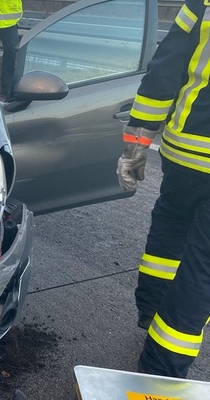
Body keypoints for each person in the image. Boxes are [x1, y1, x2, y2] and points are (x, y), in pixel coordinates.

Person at [116, 0, 210, 378]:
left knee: (171, 228)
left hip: (188, 151)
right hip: (189, 150)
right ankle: (162, 366)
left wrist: (135, 147)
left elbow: (165, 70)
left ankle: (151, 309)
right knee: (202, 267)